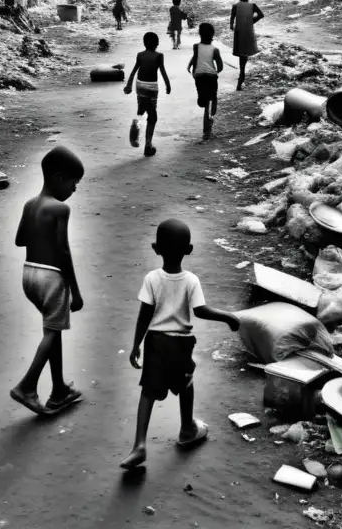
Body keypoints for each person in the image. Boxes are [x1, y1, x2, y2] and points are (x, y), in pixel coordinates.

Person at [120, 219, 240, 470]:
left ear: (155, 248)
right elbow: (201, 311)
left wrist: (136, 345)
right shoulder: (191, 280)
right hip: (180, 344)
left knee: (148, 392)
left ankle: (139, 445)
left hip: (155, 342)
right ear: (189, 250)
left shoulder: (152, 278)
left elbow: (145, 314)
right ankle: (187, 428)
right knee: (186, 384)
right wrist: (227, 316)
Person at [10, 146, 86, 417]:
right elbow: (63, 252)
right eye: (73, 182)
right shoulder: (60, 209)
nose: (74, 189)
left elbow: (20, 240)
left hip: (28, 274)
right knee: (53, 333)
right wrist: (75, 292)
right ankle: (27, 386)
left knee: (52, 331)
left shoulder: (30, 204)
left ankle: (59, 389)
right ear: (57, 177)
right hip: (51, 277)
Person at [124, 32, 172, 157]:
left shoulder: (140, 55)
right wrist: (168, 85)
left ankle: (136, 124)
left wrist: (129, 85)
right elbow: (163, 72)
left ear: (144, 43)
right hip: (151, 88)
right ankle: (148, 145)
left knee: (141, 109)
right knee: (152, 116)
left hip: (139, 86)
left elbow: (134, 70)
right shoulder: (159, 56)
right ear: (157, 44)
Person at [187, 22, 224, 140]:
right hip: (211, 77)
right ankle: (207, 128)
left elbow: (194, 60)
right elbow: (220, 67)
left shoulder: (196, 47)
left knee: (203, 99)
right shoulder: (215, 50)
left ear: (199, 34)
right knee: (212, 99)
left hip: (199, 77)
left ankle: (202, 99)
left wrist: (193, 72)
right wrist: (215, 71)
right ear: (213, 35)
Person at [230, 0, 264, 91]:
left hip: (239, 32)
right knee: (245, 54)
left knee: (241, 54)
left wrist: (232, 26)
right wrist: (252, 21)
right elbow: (261, 15)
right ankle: (242, 74)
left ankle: (241, 74)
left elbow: (232, 18)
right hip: (248, 31)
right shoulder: (252, 6)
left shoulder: (235, 6)